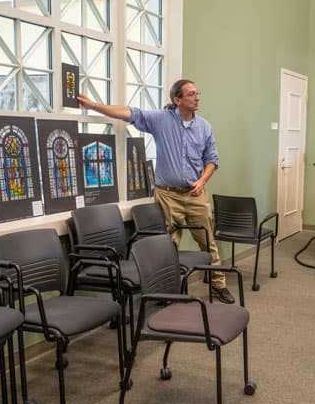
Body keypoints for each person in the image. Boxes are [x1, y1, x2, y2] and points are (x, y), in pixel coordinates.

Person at [76, 80, 236, 304]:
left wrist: (202, 180)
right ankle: (167, 291)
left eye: (197, 93)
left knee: (207, 241)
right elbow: (128, 113)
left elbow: (212, 160)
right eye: (191, 94)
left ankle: (218, 283)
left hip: (195, 194)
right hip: (167, 195)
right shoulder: (161, 120)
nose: (197, 97)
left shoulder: (204, 127)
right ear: (177, 100)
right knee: (167, 245)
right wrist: (94, 106)